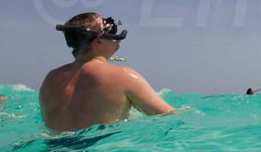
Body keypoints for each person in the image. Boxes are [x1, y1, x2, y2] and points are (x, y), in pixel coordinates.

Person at [39, 12, 175, 132]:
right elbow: (169, 116)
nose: (114, 35)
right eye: (109, 28)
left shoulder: (50, 79)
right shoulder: (124, 76)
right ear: (98, 41)